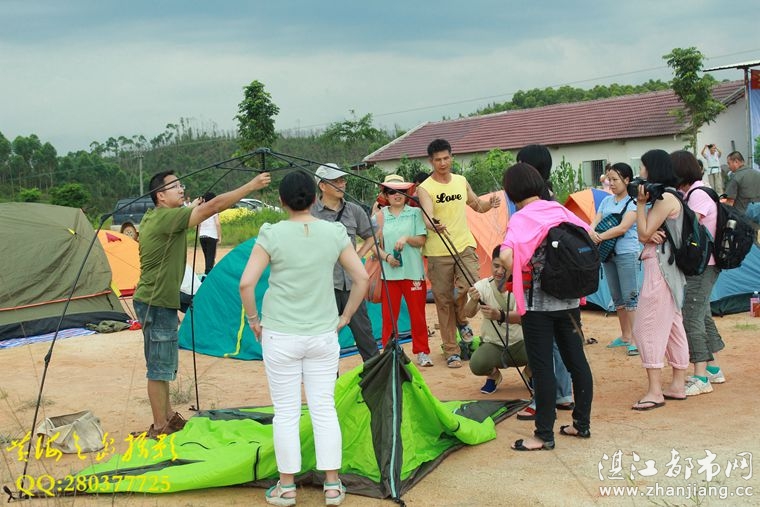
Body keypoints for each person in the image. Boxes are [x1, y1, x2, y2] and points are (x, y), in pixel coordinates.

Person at [240, 171, 364, 506]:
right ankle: (333, 486)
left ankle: (287, 487)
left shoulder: (271, 233)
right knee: (323, 407)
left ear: (282, 201)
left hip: (280, 334)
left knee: (286, 412)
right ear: (313, 198)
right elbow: (361, 278)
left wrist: (254, 321)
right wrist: (345, 317)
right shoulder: (334, 232)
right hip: (323, 334)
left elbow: (246, 284)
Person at [133, 169, 271, 438]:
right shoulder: (166, 218)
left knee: (163, 365)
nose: (181, 189)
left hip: (155, 301)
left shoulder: (156, 215)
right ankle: (159, 427)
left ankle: (168, 418)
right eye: (175, 186)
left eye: (181, 185)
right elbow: (214, 206)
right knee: (158, 369)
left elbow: (196, 210)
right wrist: (251, 185)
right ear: (160, 196)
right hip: (155, 302)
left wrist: (192, 206)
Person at [499, 163, 594, 451]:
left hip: (537, 305)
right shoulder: (560, 211)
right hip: (569, 301)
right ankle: (581, 424)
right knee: (577, 362)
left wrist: (522, 265)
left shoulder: (521, 218)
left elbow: (506, 257)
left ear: (511, 192)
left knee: (542, 368)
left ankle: (543, 435)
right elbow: (590, 236)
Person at [416, 138, 500, 368]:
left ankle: (462, 320)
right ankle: (451, 351)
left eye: (446, 158)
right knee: (443, 301)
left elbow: (477, 205)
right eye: (438, 160)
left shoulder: (461, 181)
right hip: (438, 251)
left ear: (451, 157)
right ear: (431, 161)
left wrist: (490, 204)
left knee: (472, 286)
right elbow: (427, 217)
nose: (443, 163)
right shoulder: (425, 188)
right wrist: (434, 225)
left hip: (464, 246)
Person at [514, 144, 575, 420]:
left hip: (539, 283)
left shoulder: (532, 204)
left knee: (541, 347)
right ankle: (563, 394)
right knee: (559, 343)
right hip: (560, 280)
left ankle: (542, 402)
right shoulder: (553, 199)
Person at [632, 149, 689, 409]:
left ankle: (655, 391)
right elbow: (649, 233)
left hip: (660, 269)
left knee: (647, 326)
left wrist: (640, 205)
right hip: (671, 269)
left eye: (643, 167)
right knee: (674, 326)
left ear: (652, 168)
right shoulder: (672, 195)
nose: (641, 173)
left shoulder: (665, 198)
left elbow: (643, 233)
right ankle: (677, 384)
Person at [671, 150, 727, 394]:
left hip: (704, 265)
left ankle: (700, 377)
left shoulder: (698, 195)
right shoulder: (698, 191)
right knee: (702, 314)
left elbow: (686, 226)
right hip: (707, 264)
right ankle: (713, 369)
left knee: (691, 315)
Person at [311, 163, 379, 362]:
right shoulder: (310, 212)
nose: (342, 184)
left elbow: (372, 234)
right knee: (325, 339)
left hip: (352, 285)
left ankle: (375, 377)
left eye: (342, 180)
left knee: (365, 337)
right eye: (336, 181)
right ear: (322, 186)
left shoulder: (354, 210)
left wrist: (359, 256)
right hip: (324, 287)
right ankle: (330, 380)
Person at [372, 175, 431, 366]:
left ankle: (422, 351)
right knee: (389, 317)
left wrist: (406, 238)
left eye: (402, 191)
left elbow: (421, 240)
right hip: (389, 275)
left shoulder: (415, 213)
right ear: (385, 195)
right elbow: (372, 245)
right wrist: (387, 257)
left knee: (418, 315)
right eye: (392, 191)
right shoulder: (379, 217)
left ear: (407, 194)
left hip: (413, 273)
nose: (397, 195)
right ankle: (390, 353)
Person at [590, 163, 640, 356]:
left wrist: (599, 237)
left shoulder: (633, 203)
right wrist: (591, 231)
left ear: (626, 180)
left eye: (615, 179)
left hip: (626, 253)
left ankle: (636, 339)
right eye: (609, 179)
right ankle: (626, 335)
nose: (610, 183)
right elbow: (595, 221)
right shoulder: (606, 201)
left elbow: (623, 228)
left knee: (630, 296)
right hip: (607, 253)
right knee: (617, 297)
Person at [464, 246, 526, 394]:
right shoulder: (481, 286)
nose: (499, 271)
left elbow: (524, 318)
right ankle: (493, 375)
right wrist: (473, 300)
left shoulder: (522, 286)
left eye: (504, 267)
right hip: (493, 345)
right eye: (496, 266)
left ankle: (529, 373)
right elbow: (468, 313)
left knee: (547, 352)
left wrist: (499, 315)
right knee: (477, 364)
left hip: (521, 343)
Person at [724, 151, 760, 215]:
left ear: (736, 162)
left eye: (729, 163)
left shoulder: (736, 177)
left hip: (742, 216)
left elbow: (728, 201)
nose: (728, 167)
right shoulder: (758, 174)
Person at [198, 191, 222, 275]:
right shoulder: (214, 210)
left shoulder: (201, 210)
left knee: (207, 257)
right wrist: (219, 236)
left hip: (202, 236)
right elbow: (217, 224)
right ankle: (207, 275)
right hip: (211, 236)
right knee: (211, 257)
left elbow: (199, 224)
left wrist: (199, 234)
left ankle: (208, 273)